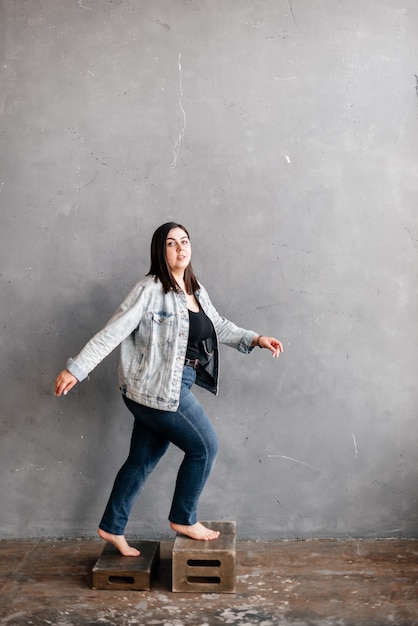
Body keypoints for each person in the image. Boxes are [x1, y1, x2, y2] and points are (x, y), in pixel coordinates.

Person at [55, 222, 283, 557]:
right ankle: (183, 518)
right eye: (172, 243)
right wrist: (77, 368)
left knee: (142, 458)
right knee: (205, 447)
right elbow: (113, 332)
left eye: (185, 242)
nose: (180, 248)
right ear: (160, 251)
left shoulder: (195, 289)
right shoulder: (149, 290)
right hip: (158, 387)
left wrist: (255, 339)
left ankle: (112, 527)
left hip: (174, 385)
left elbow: (217, 325)